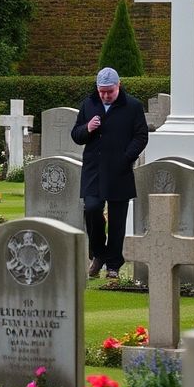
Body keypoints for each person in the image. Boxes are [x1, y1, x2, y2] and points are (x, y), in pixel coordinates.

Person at [71, 67, 149, 279]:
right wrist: (87, 127)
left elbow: (141, 136)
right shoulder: (89, 104)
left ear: (118, 86)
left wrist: (126, 158)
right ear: (97, 88)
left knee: (117, 220)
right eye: (102, 91)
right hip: (93, 169)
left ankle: (113, 264)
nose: (105, 95)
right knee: (92, 208)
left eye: (109, 91)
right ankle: (98, 253)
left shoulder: (132, 106)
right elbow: (76, 135)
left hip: (119, 170)